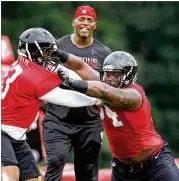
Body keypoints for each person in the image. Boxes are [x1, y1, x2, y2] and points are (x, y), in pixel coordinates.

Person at [57, 51, 179, 181]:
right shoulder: (103, 84)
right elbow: (81, 67)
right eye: (107, 74)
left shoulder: (134, 95)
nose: (110, 79)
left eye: (116, 75)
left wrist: (73, 82)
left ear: (128, 76)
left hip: (155, 164)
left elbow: (106, 92)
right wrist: (58, 53)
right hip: (122, 169)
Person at [1, 27, 102, 181]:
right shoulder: (31, 76)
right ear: (33, 52)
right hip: (3, 131)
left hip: (16, 136)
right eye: (46, 52)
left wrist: (76, 81)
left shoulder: (28, 66)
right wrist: (99, 98)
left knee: (33, 178)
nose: (50, 55)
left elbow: (65, 72)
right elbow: (66, 98)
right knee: (10, 175)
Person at [42, 5, 112, 181]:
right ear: (74, 21)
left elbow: (110, 90)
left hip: (89, 123)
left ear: (95, 25)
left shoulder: (104, 53)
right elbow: (40, 80)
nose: (85, 23)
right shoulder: (57, 46)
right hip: (58, 120)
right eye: (81, 19)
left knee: (87, 174)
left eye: (90, 20)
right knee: (55, 162)